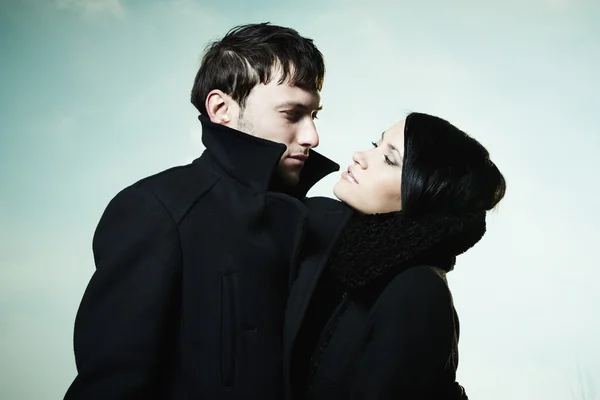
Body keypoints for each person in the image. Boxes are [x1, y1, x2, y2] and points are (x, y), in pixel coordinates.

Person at [64, 22, 338, 400]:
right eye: (292, 114)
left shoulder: (323, 222)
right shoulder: (157, 209)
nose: (312, 137)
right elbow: (111, 386)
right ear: (221, 109)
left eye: (315, 116)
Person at [284, 112, 507, 399]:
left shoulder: (418, 291)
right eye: (375, 145)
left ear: (422, 197)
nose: (360, 156)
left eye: (389, 159)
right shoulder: (356, 266)